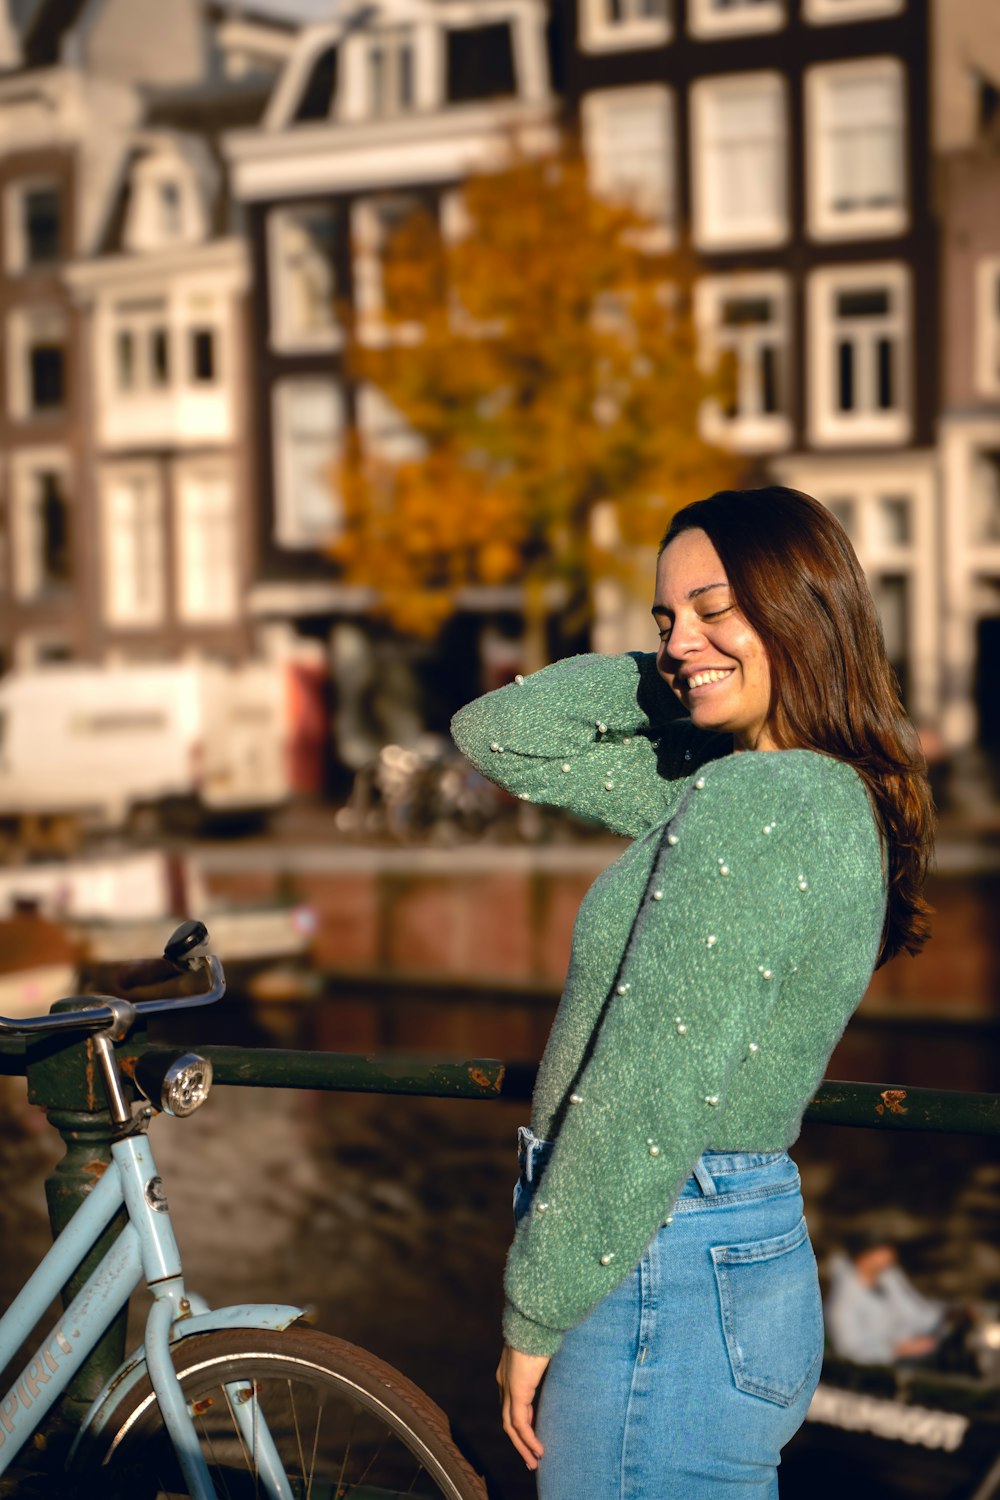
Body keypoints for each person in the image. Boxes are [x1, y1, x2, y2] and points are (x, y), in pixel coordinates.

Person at [450, 486, 934, 1499]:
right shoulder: (809, 792)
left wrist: (533, 1313)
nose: (677, 640)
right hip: (736, 1262)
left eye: (716, 608)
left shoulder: (752, 805)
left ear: (802, 612)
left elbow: (647, 1085)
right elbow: (501, 735)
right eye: (664, 617)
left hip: (652, 1269)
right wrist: (696, 665)